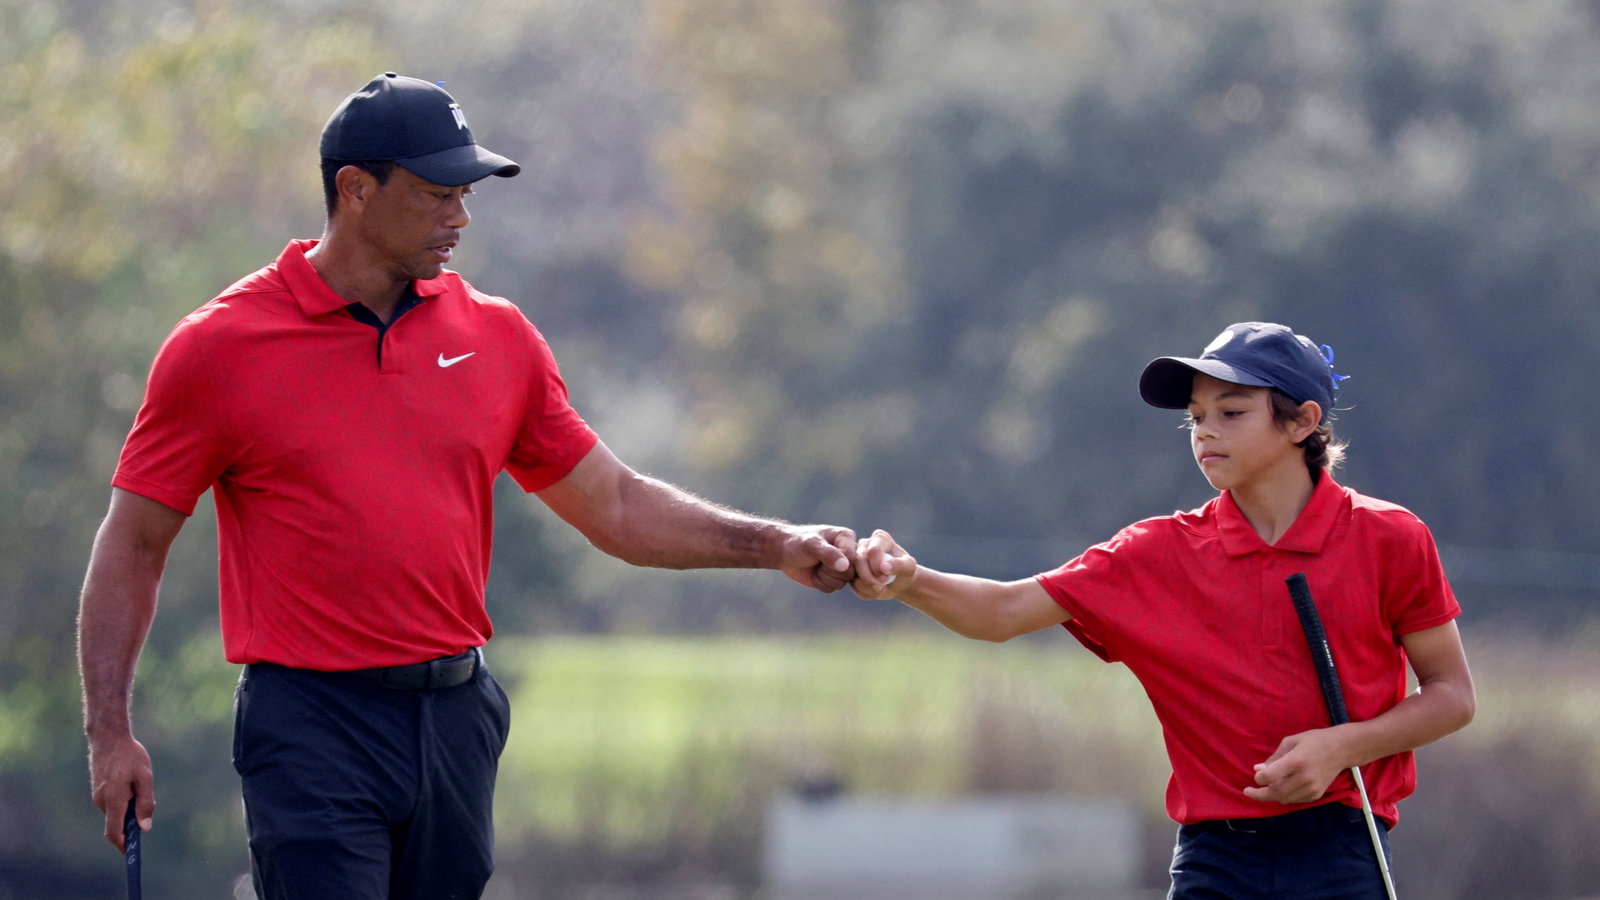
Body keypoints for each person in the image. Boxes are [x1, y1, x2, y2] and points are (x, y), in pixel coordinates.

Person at [77, 72, 858, 900]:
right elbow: (134, 544)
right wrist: (108, 733)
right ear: (355, 190)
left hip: (456, 721)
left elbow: (618, 506)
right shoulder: (220, 347)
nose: (460, 217)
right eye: (436, 195)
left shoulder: (498, 337)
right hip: (312, 725)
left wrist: (775, 544)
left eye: (465, 195)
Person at [851, 322, 1475, 899]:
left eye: (1231, 412)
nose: (1205, 431)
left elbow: (1452, 695)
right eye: (1195, 417)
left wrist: (1343, 747)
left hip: (1344, 849)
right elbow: (1002, 611)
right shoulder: (1155, 553)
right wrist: (910, 579)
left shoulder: (1390, 538)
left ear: (1302, 422)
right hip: (1214, 860)